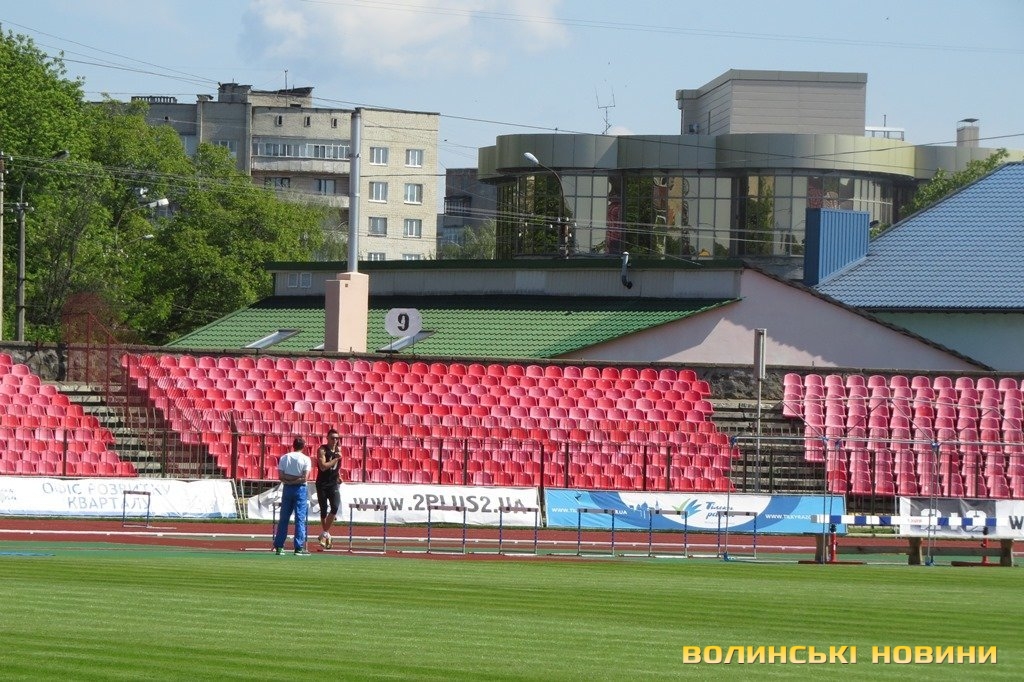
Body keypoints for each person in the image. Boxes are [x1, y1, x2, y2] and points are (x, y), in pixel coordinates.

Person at [272, 436, 312, 556]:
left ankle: (279, 546)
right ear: (303, 446)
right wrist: (296, 479)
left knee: (284, 518)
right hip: (300, 489)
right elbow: (304, 478)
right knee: (300, 519)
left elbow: (281, 476)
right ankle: (298, 548)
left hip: (287, 488)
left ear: (293, 445)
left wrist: (289, 480)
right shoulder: (306, 459)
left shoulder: (285, 457)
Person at [315, 428, 342, 548]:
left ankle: (325, 533)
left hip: (333, 483)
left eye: (337, 438)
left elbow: (336, 466)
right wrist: (336, 458)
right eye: (332, 438)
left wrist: (339, 476)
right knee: (324, 509)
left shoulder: (338, 449)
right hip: (322, 483)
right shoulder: (322, 450)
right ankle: (326, 533)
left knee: (335, 506)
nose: (335, 440)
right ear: (327, 438)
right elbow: (323, 467)